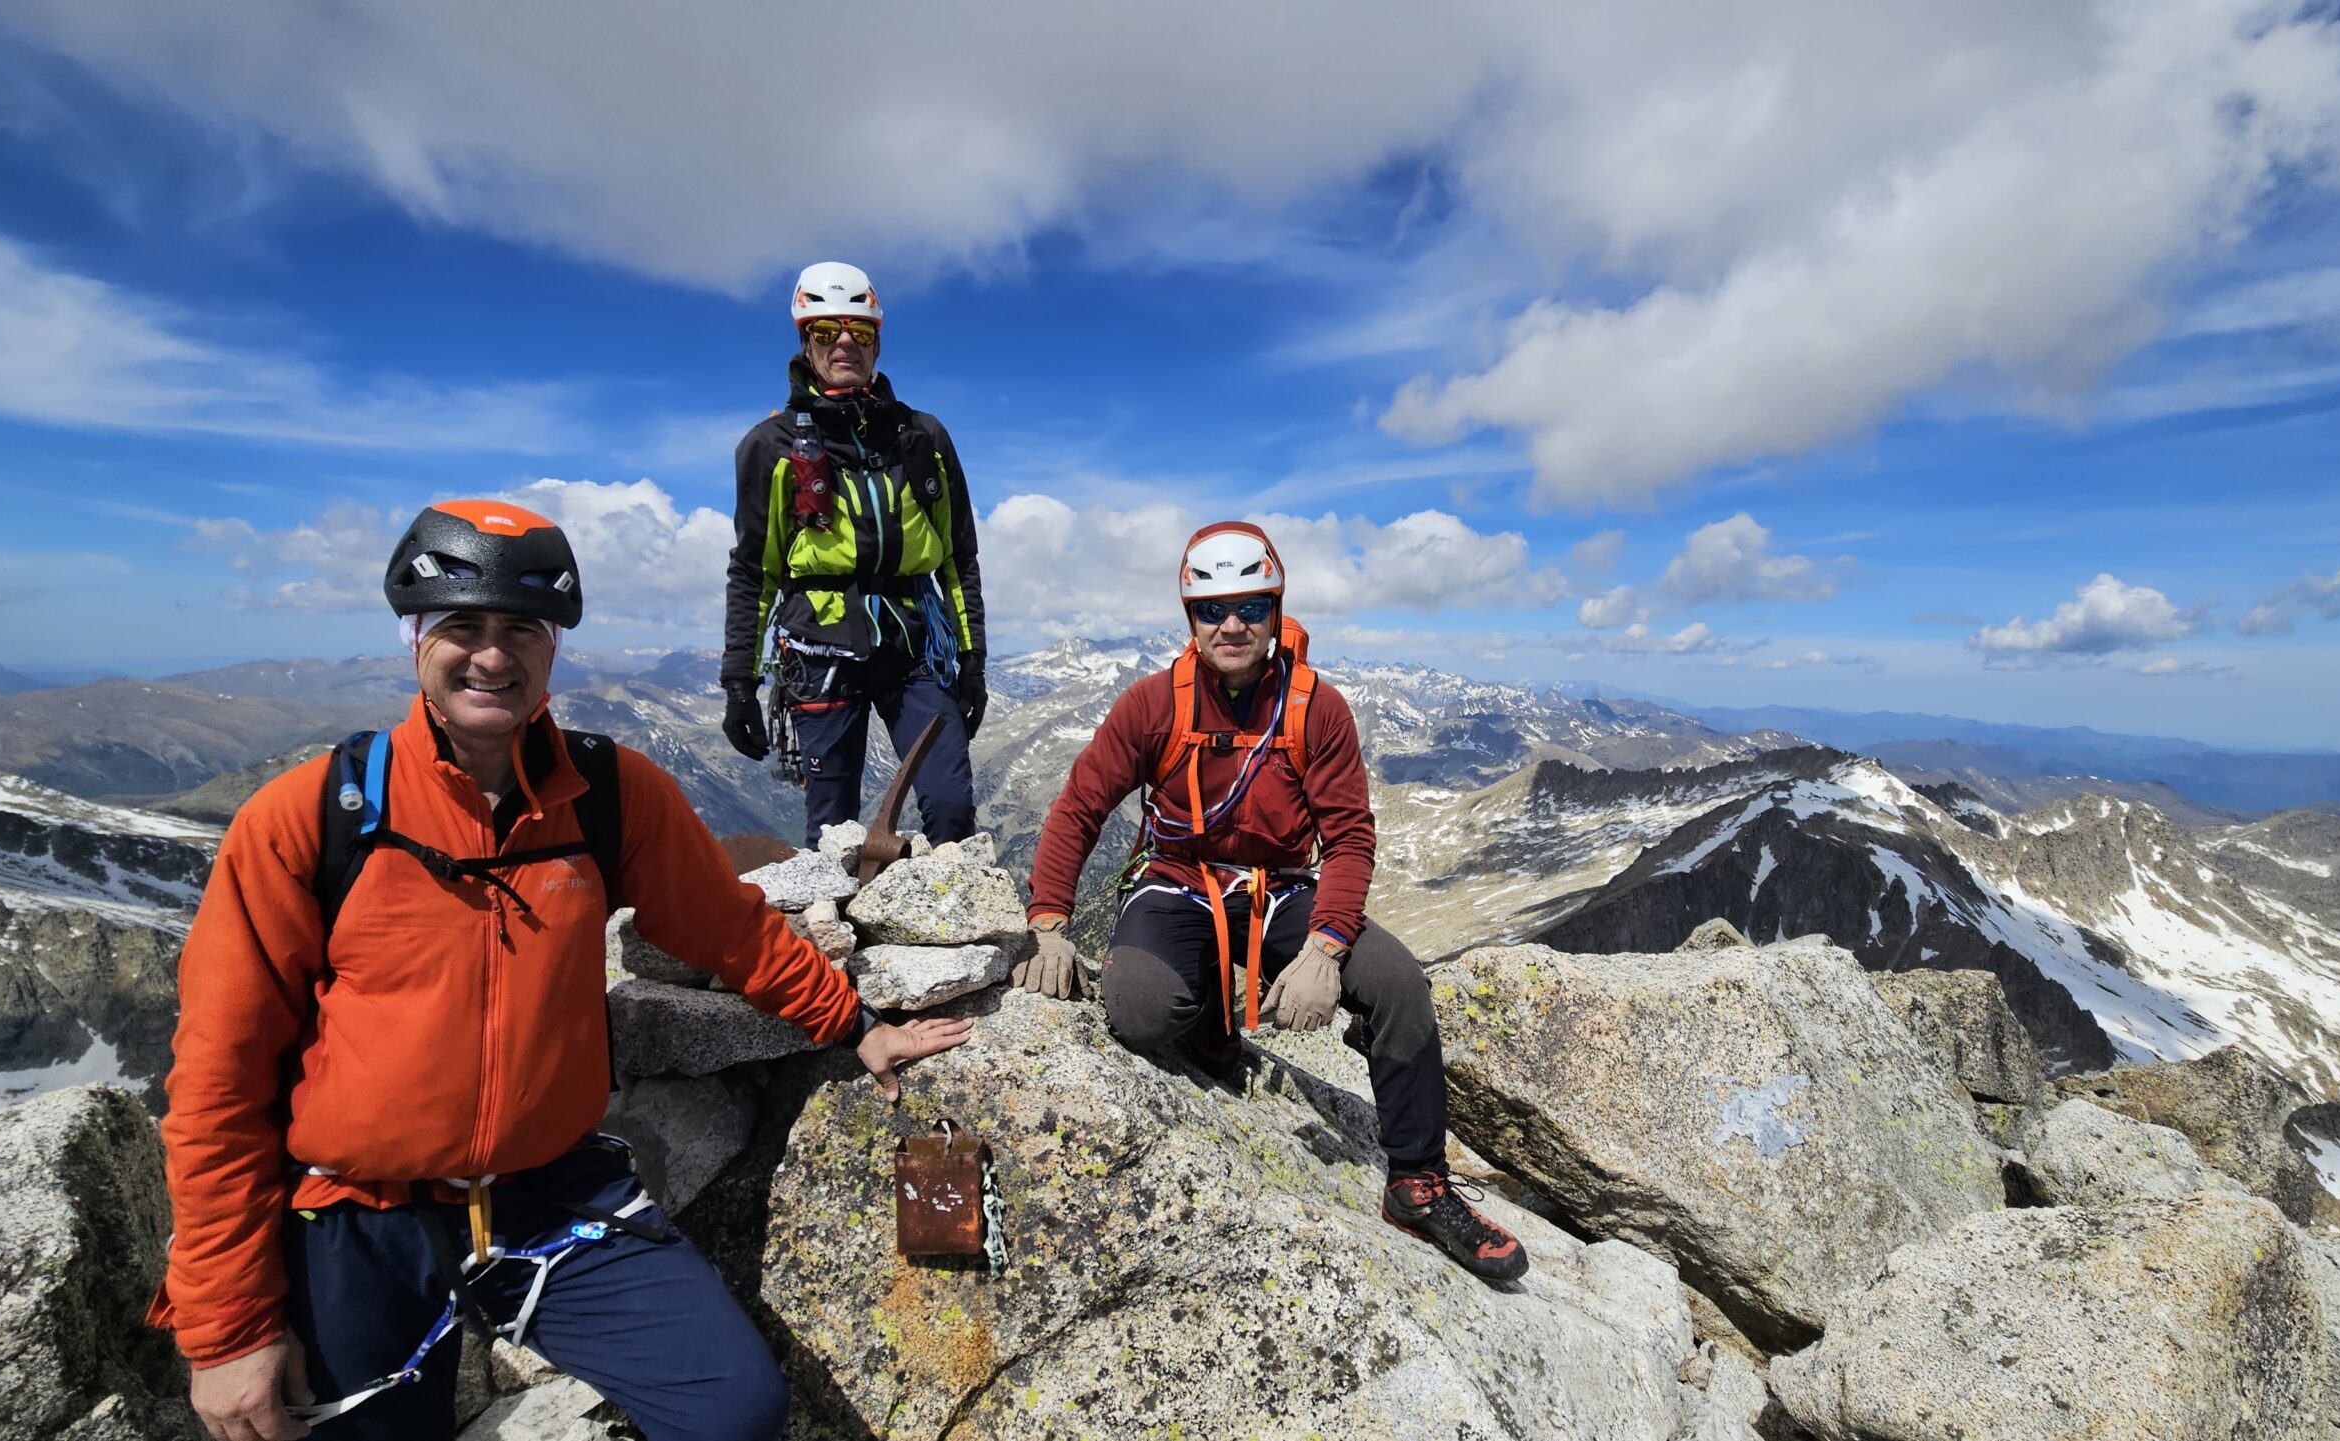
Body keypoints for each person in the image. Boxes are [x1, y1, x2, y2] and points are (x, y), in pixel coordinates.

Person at [155, 501, 971, 1441]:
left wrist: (857, 1022)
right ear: (416, 639)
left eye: (520, 631)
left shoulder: (612, 793)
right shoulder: (313, 817)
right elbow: (219, 1076)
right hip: (360, 1213)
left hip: (549, 1194)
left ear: (551, 649)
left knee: (734, 1412)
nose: (491, 657)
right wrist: (225, 1328)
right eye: (463, 626)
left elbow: (730, 931)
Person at [1013, 521, 1527, 1282]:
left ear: (1275, 608)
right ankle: (1212, 1029)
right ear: (1189, 618)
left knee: (1398, 985)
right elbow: (1080, 806)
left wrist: (1324, 948)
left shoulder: (1317, 708)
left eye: (1251, 607)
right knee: (1140, 1009)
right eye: (1212, 608)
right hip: (1178, 878)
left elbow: (1350, 839)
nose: (1232, 624)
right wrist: (1050, 924)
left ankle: (1418, 1182)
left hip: (1283, 889)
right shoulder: (1153, 704)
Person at [720, 261, 987, 850]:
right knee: (833, 828)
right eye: (826, 331)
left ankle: (955, 934)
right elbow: (753, 570)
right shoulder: (772, 447)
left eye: (859, 333)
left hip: (916, 642)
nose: (844, 342)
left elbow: (957, 559)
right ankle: (830, 941)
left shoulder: (923, 437)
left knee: (949, 803)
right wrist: (740, 681)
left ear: (877, 342)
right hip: (819, 646)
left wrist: (973, 664)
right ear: (804, 340)